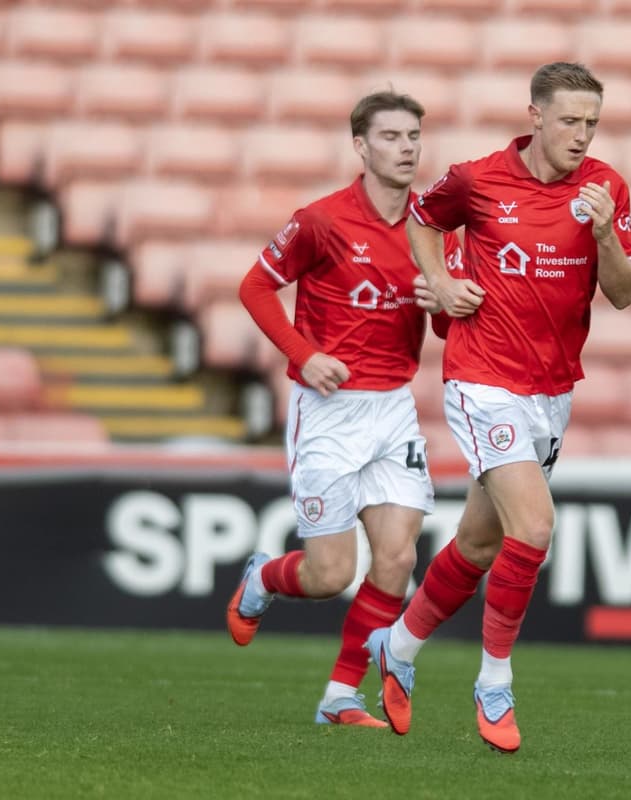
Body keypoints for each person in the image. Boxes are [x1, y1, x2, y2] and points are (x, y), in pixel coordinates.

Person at [365, 62, 631, 753]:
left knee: (480, 543)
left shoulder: (605, 187)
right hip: (483, 378)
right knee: (536, 524)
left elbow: (624, 293)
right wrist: (440, 280)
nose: (581, 135)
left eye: (592, 123)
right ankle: (495, 682)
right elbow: (423, 220)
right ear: (536, 116)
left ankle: (397, 646)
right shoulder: (477, 180)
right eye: (570, 120)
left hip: (552, 391)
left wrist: (606, 236)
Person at [227, 90, 462, 728]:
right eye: (390, 136)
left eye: (413, 136)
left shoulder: (432, 231)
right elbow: (255, 286)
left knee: (398, 558)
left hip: (392, 408)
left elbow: (448, 325)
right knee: (331, 574)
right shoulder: (321, 221)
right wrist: (304, 355)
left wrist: (440, 304)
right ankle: (264, 579)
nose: (406, 148)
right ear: (360, 146)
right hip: (328, 411)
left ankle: (339, 697)